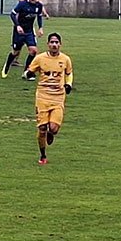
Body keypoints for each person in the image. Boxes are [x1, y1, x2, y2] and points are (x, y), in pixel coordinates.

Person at [25, 32, 74, 166]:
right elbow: (29, 71)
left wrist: (68, 84)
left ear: (60, 44)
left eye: (56, 42)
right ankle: (43, 155)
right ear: (48, 44)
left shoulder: (65, 59)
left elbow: (69, 74)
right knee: (41, 128)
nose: (54, 45)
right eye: (52, 42)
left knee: (53, 128)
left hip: (58, 98)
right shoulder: (40, 58)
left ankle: (50, 133)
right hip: (42, 97)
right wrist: (28, 73)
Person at [1, 0, 46, 78]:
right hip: (19, 32)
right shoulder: (22, 4)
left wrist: (40, 28)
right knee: (15, 52)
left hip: (29, 31)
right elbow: (12, 14)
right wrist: (17, 25)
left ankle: (26, 72)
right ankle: (7, 66)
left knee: (33, 51)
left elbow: (39, 16)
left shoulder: (39, 5)